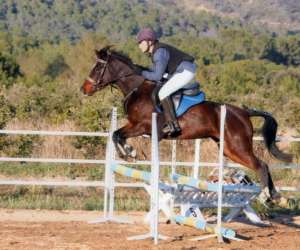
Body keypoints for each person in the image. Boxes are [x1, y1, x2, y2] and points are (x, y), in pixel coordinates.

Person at [136, 27, 196, 136]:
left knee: (163, 92)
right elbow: (155, 72)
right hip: (179, 70)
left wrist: (141, 73)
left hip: (185, 71)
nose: (139, 45)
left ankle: (173, 125)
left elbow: (157, 76)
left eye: (141, 42)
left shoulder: (159, 53)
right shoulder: (156, 52)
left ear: (150, 41)